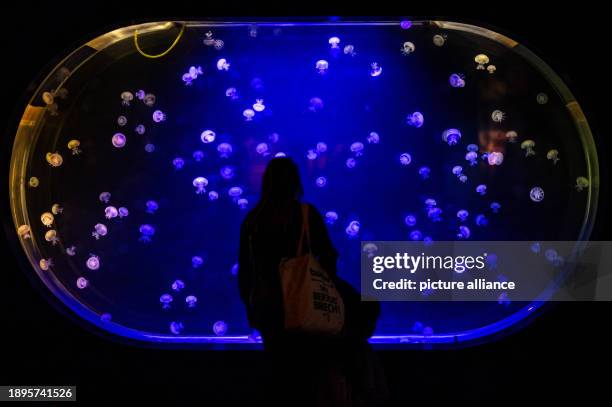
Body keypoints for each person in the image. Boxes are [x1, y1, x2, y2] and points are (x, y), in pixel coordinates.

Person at [238, 157, 387, 406]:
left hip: (270, 308)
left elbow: (245, 271)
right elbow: (328, 255)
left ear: (266, 182)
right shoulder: (306, 214)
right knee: (312, 368)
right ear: (296, 182)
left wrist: (250, 308)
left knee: (280, 372)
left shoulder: (252, 220)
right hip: (304, 303)